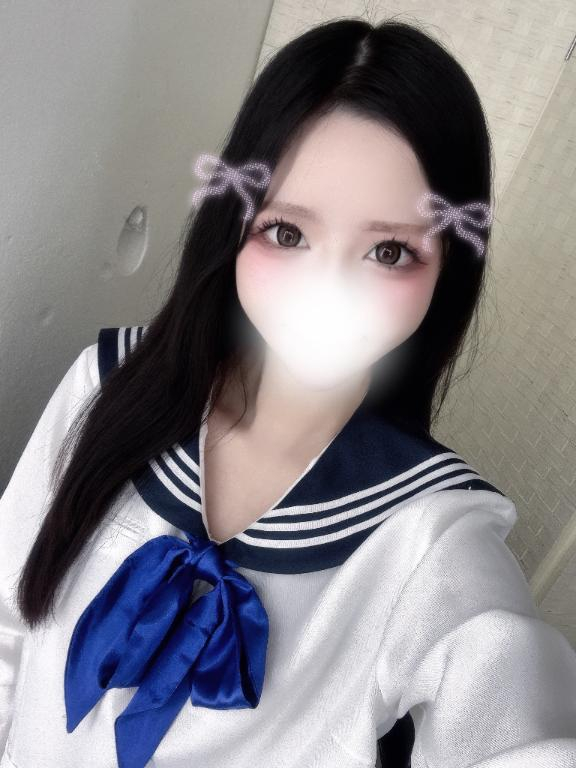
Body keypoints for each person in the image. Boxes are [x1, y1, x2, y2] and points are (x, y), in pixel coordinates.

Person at [2, 17, 576, 768]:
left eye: (389, 250)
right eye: (287, 234)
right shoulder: (105, 384)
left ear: (448, 270)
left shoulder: (432, 538)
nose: (326, 289)